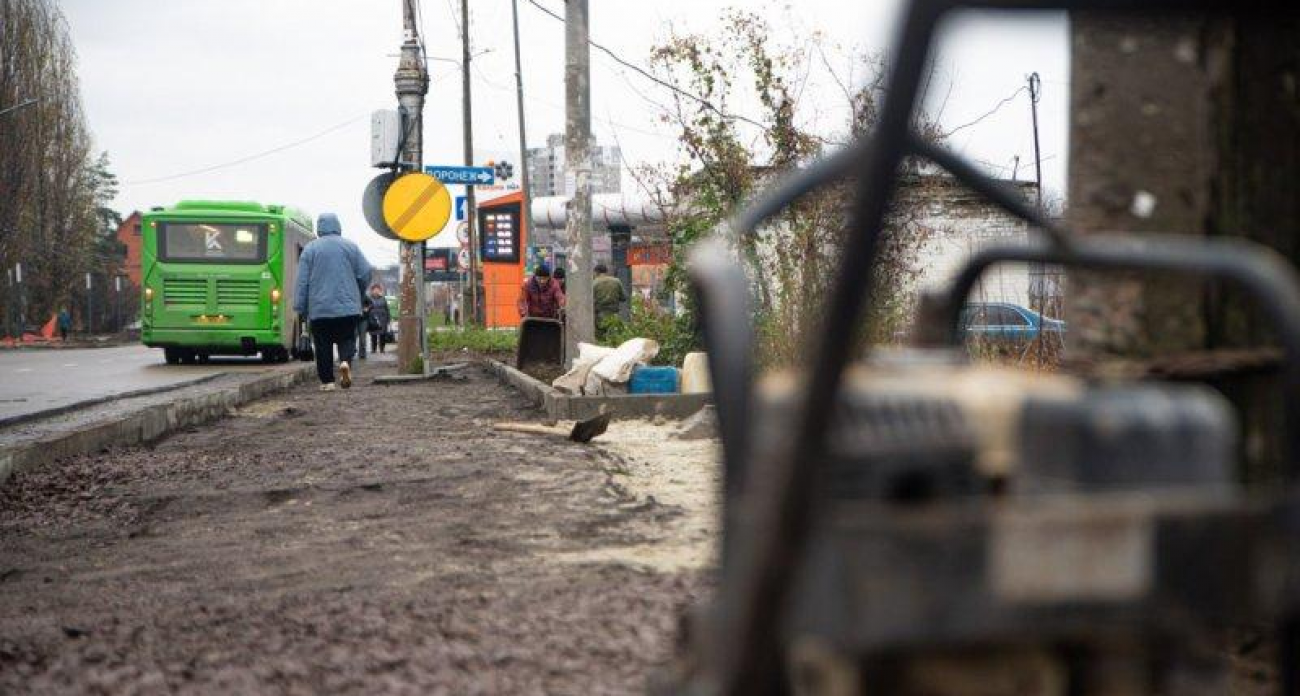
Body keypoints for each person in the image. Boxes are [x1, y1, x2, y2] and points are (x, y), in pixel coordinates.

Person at [293, 213, 372, 391]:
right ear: (338, 226)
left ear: (319, 228)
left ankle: (327, 381)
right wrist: (357, 292)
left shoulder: (310, 249)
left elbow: (302, 281)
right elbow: (365, 272)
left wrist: (301, 307)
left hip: (319, 309)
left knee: (323, 345)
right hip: (348, 307)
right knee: (347, 339)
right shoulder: (351, 247)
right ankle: (344, 362)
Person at [592, 264, 626, 333]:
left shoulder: (594, 283)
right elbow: (623, 298)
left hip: (600, 315)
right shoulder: (617, 281)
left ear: (596, 272)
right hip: (614, 314)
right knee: (613, 335)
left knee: (601, 336)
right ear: (606, 271)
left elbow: (591, 300)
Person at [366, 283, 391, 354]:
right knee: (373, 336)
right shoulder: (369, 298)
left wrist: (388, 319)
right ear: (372, 290)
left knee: (382, 335)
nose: (376, 291)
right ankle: (373, 349)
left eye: (378, 289)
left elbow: (387, 309)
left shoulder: (383, 298)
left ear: (380, 290)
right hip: (373, 319)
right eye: (374, 289)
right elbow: (367, 308)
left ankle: (382, 349)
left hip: (383, 319)